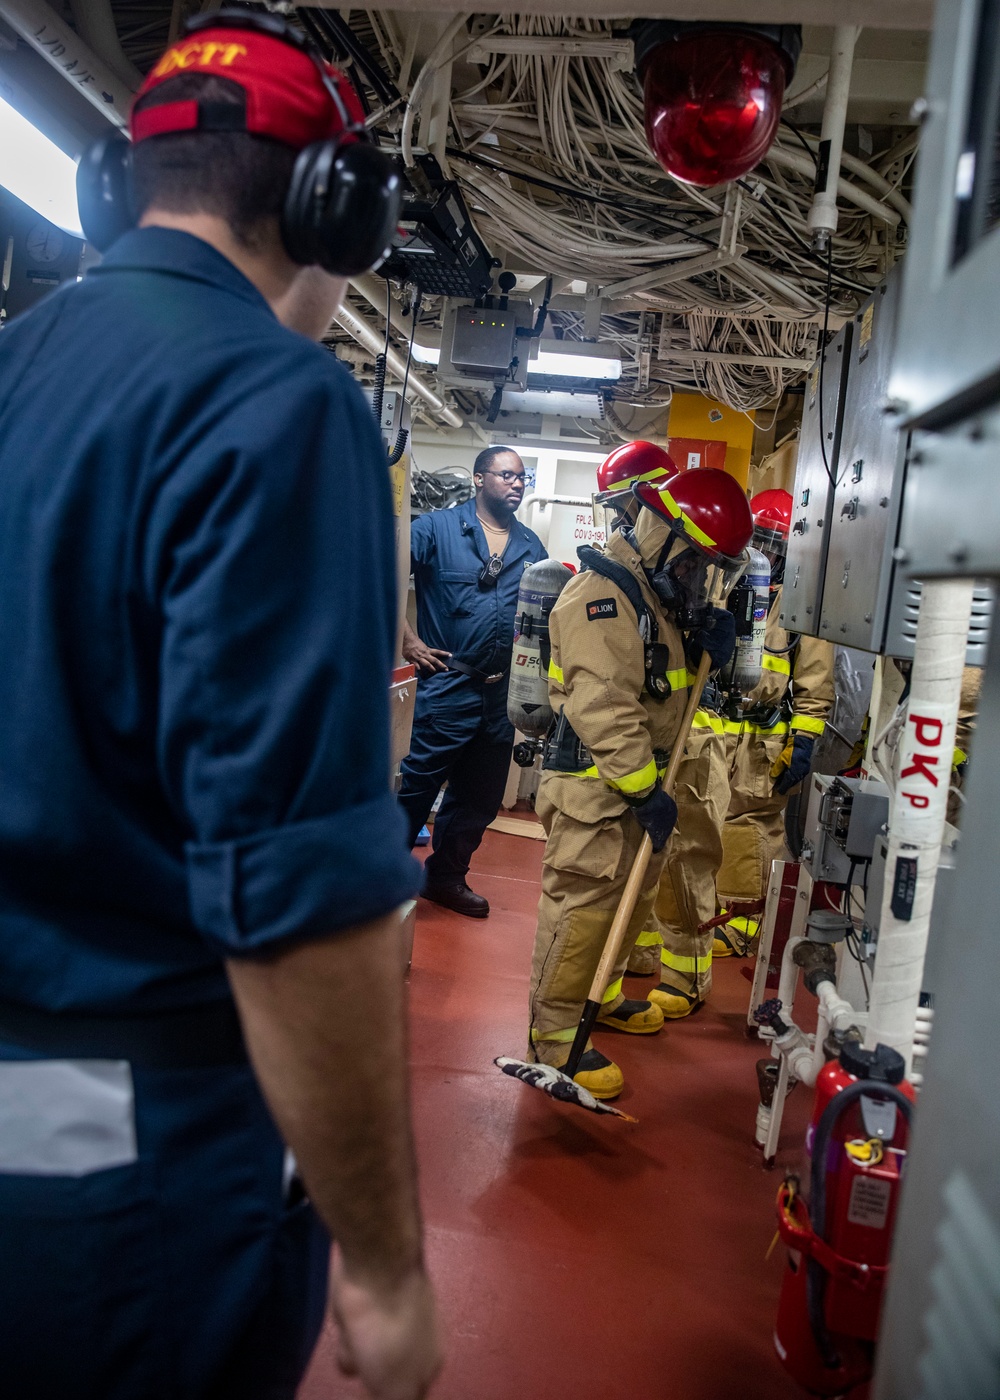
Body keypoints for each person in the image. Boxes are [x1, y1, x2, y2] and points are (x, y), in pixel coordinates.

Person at [0, 14, 440, 1400]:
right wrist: (383, 1261)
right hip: (143, 1160)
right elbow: (297, 901)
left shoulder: (15, 367)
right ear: (336, 210)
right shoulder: (279, 402)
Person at [527, 470, 751, 1099]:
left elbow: (665, 694)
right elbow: (606, 707)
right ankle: (555, 1038)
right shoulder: (600, 596)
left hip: (639, 787)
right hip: (599, 791)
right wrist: (644, 789)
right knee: (582, 910)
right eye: (695, 563)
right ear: (663, 536)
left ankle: (602, 998)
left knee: (629, 908)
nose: (699, 578)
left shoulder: (658, 600)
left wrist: (710, 644)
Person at [398, 445, 546, 918]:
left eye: (523, 478)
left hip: (502, 695)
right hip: (448, 685)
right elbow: (383, 571)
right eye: (507, 475)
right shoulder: (436, 529)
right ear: (479, 479)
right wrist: (407, 640)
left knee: (479, 798)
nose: (517, 484)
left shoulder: (530, 547)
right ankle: (381, 876)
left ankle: (445, 878)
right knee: (417, 788)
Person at [714, 488, 835, 954]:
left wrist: (802, 742)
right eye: (759, 541)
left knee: (750, 829)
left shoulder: (801, 606)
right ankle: (706, 911)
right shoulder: (720, 584)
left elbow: (815, 685)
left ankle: (740, 924)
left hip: (763, 743)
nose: (766, 553)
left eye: (776, 544)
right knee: (708, 824)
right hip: (715, 731)